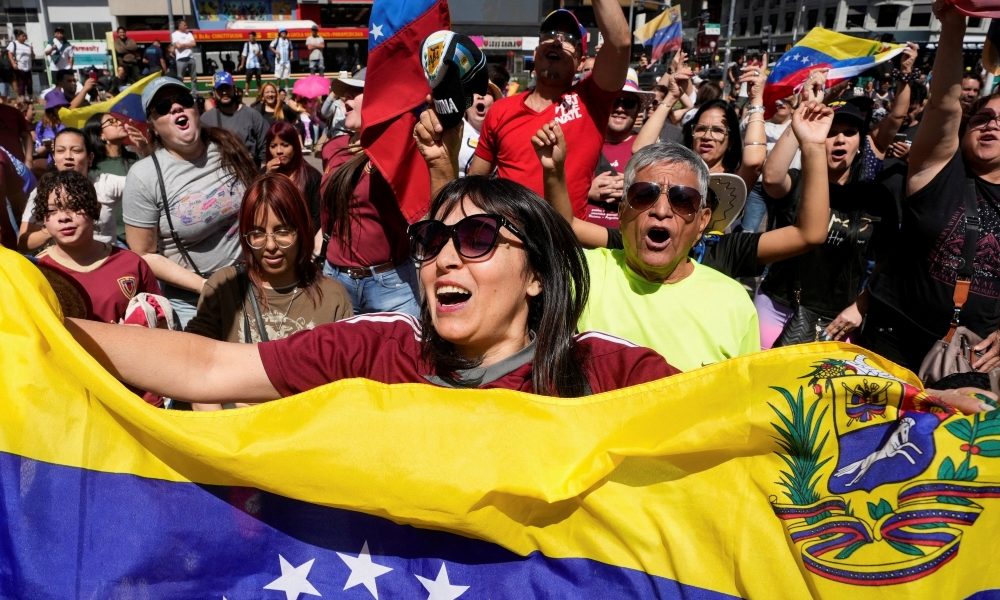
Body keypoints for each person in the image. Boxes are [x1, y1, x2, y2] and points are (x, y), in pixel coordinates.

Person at [67, 175, 679, 404]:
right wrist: (41, 330)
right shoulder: (382, 348)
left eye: (478, 238)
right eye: (434, 239)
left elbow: (737, 422)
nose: (442, 260)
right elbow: (205, 368)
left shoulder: (607, 370)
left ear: (538, 274)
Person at [857, 3, 1000, 373]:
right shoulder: (938, 170)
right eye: (982, 118)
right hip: (892, 342)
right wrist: (954, 22)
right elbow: (945, 104)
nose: (992, 126)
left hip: (972, 359)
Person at [574, 142, 759, 371]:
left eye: (682, 199)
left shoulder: (735, 303)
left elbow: (744, 398)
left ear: (702, 221)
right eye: (643, 195)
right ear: (621, 212)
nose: (661, 211)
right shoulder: (580, 274)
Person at [761, 86, 898, 348]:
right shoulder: (798, 183)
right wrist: (801, 118)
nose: (840, 140)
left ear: (860, 143)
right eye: (832, 133)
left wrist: (861, 305)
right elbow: (772, 177)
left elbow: (888, 261)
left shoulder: (876, 197)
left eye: (849, 133)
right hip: (778, 308)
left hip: (838, 322)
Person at [468, 4, 631, 219]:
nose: (556, 41)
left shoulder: (592, 99)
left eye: (569, 39)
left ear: (581, 62)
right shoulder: (501, 110)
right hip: (508, 240)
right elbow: (474, 184)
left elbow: (621, 42)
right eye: (549, 35)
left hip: (563, 243)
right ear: (535, 54)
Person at [122, 77, 257, 328]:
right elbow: (144, 254)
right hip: (193, 300)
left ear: (195, 109)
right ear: (152, 125)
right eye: (163, 107)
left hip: (252, 282)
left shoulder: (228, 146)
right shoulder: (144, 175)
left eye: (183, 101)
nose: (176, 108)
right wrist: (207, 286)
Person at [186, 172, 351, 362]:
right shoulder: (223, 287)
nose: (270, 246)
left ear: (302, 230)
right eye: (257, 233)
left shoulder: (333, 297)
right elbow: (195, 358)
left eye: (283, 231)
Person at [317, 69, 421, 316]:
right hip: (336, 279)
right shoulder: (332, 149)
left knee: (400, 355)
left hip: (390, 284)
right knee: (340, 356)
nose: (345, 100)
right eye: (344, 95)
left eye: (355, 93)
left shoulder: (402, 148)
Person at [32, 169, 159, 323]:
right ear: (43, 220)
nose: (64, 217)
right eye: (52, 210)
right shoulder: (37, 271)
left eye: (74, 206)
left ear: (95, 210)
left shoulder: (131, 263)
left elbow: (160, 319)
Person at [19, 127, 127, 253]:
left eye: (76, 150)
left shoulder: (105, 183)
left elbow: (143, 182)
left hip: (105, 260)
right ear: (54, 158)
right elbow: (23, 244)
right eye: (60, 151)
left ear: (90, 158)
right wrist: (53, 228)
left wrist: (145, 148)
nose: (68, 156)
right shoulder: (42, 191)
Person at [584, 68, 649, 228]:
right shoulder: (580, 142)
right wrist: (586, 191)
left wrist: (634, 191)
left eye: (628, 103)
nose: (620, 108)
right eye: (614, 100)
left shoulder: (649, 148)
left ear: (638, 109)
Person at [202, 71, 269, 164]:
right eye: (220, 89)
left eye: (227, 88)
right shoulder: (206, 119)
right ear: (214, 92)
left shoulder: (253, 115)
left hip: (249, 172)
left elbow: (265, 146)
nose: (224, 92)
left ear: (234, 89)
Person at [264, 120, 322, 228]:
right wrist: (267, 178)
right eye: (273, 146)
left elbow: (317, 217)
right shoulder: (264, 174)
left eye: (285, 145)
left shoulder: (311, 176)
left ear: (295, 147)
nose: (279, 151)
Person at [31, 90, 69, 173]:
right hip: (52, 164)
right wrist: (47, 146)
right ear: (51, 108)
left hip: (69, 161)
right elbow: (38, 150)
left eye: (64, 105)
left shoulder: (69, 120)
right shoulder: (42, 125)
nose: (61, 109)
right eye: (58, 106)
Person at [6, 29, 34, 101]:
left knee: (29, 84)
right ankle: (22, 99)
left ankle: (30, 99)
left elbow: (33, 56)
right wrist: (13, 63)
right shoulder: (14, 44)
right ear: (18, 37)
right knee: (21, 84)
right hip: (19, 68)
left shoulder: (27, 46)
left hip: (28, 68)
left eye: (25, 36)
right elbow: (10, 54)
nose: (25, 38)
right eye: (23, 36)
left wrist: (32, 50)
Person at [171, 20, 197, 92]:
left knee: (194, 77)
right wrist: (188, 44)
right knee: (180, 78)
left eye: (186, 25)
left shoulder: (189, 34)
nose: (186, 26)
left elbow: (194, 44)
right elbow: (178, 46)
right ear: (179, 26)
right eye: (184, 25)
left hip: (191, 58)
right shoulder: (175, 34)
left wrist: (183, 44)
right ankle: (181, 92)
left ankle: (194, 92)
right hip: (181, 59)